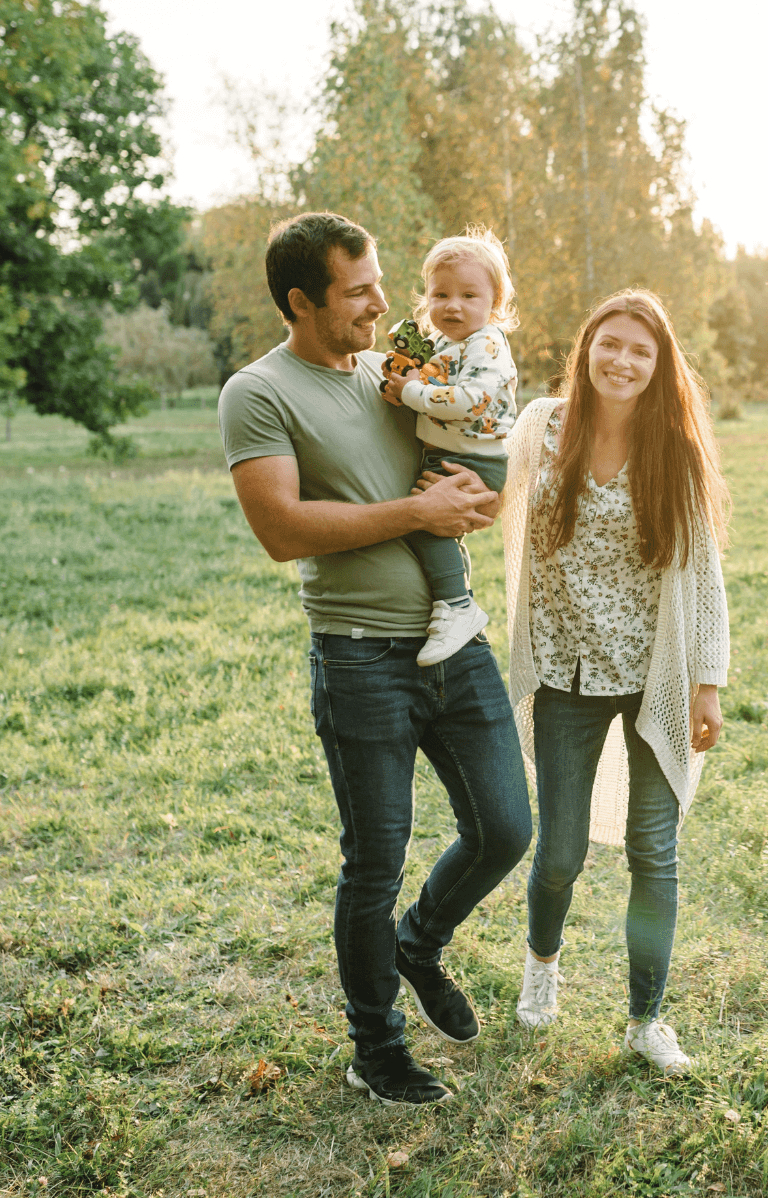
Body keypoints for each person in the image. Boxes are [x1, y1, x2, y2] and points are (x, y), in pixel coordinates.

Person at [218, 211, 531, 1105]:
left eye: (380, 282)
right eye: (358, 292)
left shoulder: (398, 374)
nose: (383, 303)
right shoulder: (259, 391)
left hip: (455, 640)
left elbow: (468, 465)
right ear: (300, 302)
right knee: (375, 862)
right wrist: (416, 517)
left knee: (508, 828)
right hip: (360, 657)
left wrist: (476, 501)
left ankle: (418, 943)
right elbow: (280, 529)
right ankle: (377, 1049)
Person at [500, 289, 731, 1075]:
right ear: (586, 347)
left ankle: (645, 1019)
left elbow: (704, 574)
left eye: (641, 349)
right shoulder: (542, 426)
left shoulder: (676, 446)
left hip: (652, 677)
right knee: (560, 850)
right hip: (564, 671)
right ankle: (542, 967)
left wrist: (707, 681)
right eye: (611, 343)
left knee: (652, 852)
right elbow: (480, 477)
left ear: (660, 365)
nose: (623, 361)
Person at [381, 228, 520, 667]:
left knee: (427, 524)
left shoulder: (488, 343)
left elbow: (466, 401)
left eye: (468, 295)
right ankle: (454, 601)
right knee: (438, 528)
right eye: (440, 294)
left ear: (494, 302)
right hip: (448, 453)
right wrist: (400, 382)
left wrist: (411, 393)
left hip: (474, 458)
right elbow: (426, 384)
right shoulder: (445, 342)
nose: (453, 305)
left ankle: (458, 607)